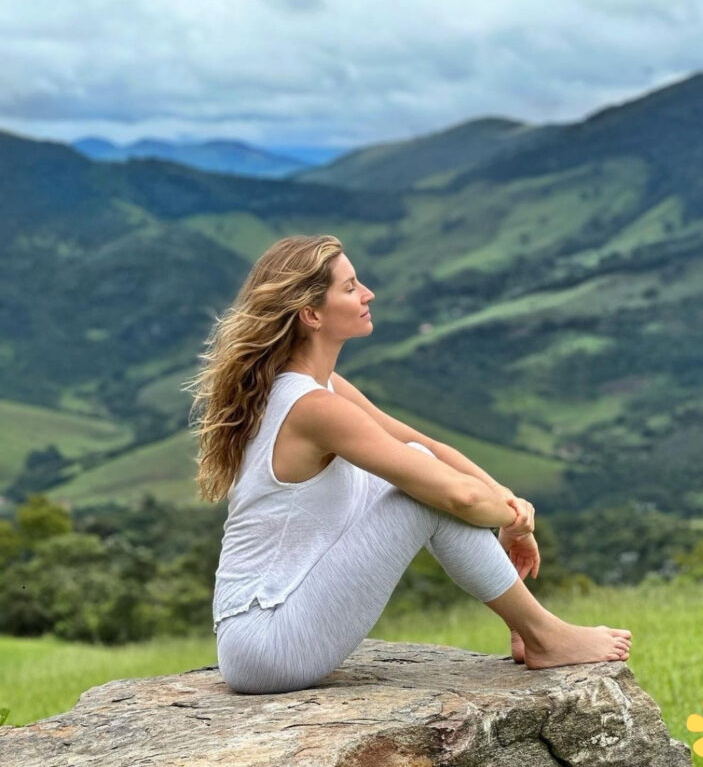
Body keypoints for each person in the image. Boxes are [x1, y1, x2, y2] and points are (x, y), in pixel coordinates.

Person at [186, 234, 631, 694]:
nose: (368, 294)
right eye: (350, 287)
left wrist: (508, 501)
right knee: (427, 496)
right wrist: (513, 520)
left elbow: (429, 447)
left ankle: (529, 626)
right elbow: (456, 495)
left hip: (270, 629)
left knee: (420, 466)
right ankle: (543, 634)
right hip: (268, 641)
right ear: (311, 314)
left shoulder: (321, 388)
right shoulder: (314, 407)